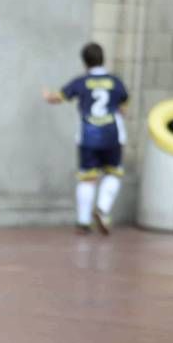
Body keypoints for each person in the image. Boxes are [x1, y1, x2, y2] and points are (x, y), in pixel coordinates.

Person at [43, 42, 129, 234]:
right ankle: (103, 208)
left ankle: (83, 222)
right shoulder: (116, 81)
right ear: (103, 59)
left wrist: (47, 95)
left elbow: (58, 97)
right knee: (113, 173)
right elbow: (124, 106)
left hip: (88, 134)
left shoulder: (81, 82)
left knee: (87, 178)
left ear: (84, 62)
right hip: (112, 133)